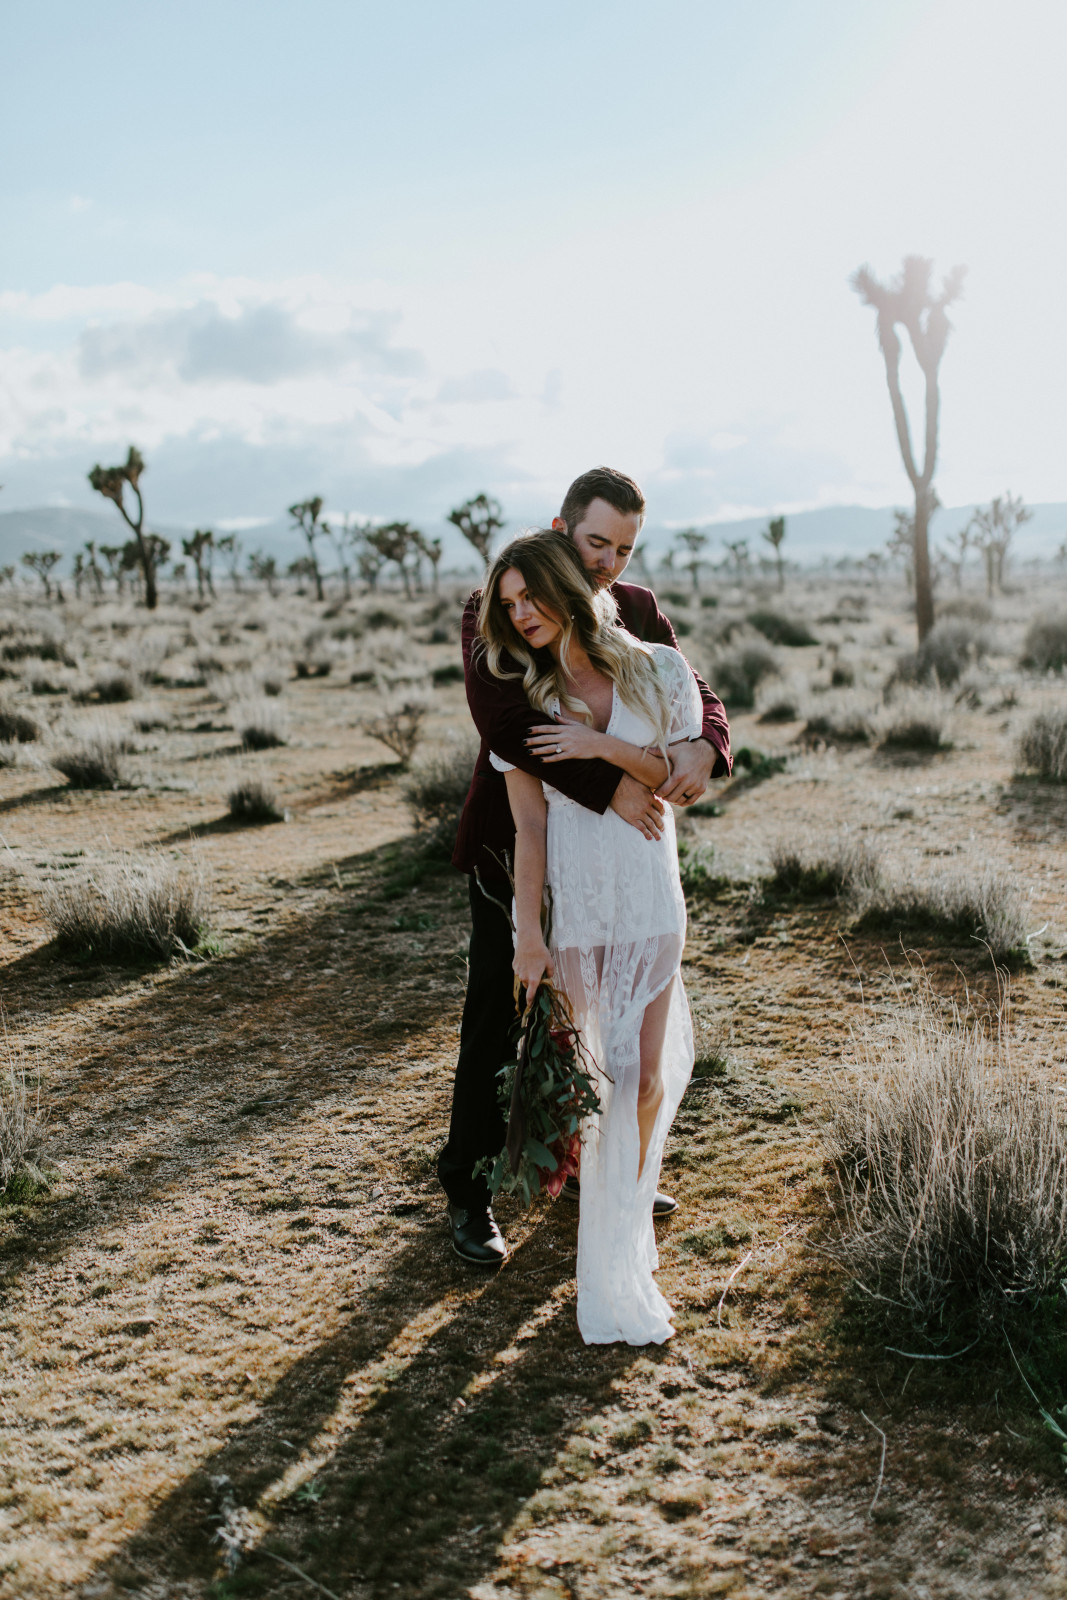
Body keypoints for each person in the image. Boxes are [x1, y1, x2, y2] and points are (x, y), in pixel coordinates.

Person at [440, 467, 731, 1267]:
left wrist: (707, 742)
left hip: (611, 859)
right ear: (561, 528)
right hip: (519, 845)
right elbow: (507, 723)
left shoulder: (632, 608)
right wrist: (613, 785)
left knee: (604, 1017)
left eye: (623, 548)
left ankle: (593, 1168)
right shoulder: (500, 612)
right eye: (596, 542)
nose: (608, 562)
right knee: (501, 1018)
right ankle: (468, 1192)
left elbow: (686, 683)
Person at [481, 529, 701, 1344]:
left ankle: (629, 1225)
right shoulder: (523, 697)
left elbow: (677, 782)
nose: (521, 615)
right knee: (603, 1083)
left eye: (528, 596)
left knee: (643, 1079)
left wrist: (601, 748)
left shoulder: (658, 668)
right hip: (580, 907)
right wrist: (526, 936)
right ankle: (607, 1265)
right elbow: (530, 829)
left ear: (561, 586)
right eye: (507, 606)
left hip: (650, 895)